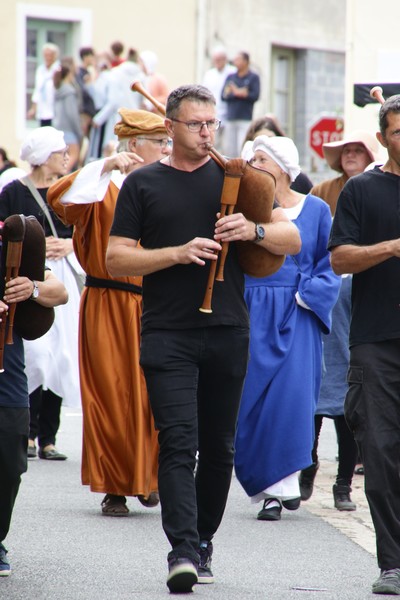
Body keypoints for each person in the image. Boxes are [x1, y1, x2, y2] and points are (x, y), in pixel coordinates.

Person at [106, 84, 301, 593]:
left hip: (228, 329)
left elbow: (291, 238)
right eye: (196, 124)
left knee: (219, 448)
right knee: (178, 442)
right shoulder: (143, 184)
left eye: (212, 123)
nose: (207, 132)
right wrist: (174, 253)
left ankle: (204, 540)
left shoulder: (241, 178)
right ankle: (182, 549)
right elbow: (116, 258)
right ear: (169, 127)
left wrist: (251, 232)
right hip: (167, 331)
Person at [47, 109, 172, 516]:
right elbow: (60, 198)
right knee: (110, 393)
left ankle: (148, 476)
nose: (167, 149)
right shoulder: (102, 186)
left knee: (154, 392)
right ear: (134, 147)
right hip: (107, 301)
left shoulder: (166, 183)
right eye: (160, 142)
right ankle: (115, 486)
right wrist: (103, 165)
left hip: (156, 300)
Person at [234, 135, 341, 522]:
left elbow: (329, 265)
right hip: (252, 311)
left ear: (281, 166)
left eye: (260, 158)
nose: (254, 164)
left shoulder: (315, 210)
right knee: (252, 400)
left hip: (298, 312)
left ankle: (279, 491)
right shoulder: (246, 211)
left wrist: (304, 296)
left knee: (291, 402)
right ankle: (267, 482)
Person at [328, 94, 400, 596]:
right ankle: (393, 562)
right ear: (382, 138)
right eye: (399, 131)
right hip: (377, 341)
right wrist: (394, 246)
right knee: (381, 452)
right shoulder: (362, 190)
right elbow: (340, 259)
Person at [299, 129, 380, 510]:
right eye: (344, 150)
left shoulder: (378, 190)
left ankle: (343, 484)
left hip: (358, 300)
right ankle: (307, 466)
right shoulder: (321, 192)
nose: (349, 154)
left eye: (356, 150)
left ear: (369, 156)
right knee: (313, 395)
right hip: (321, 295)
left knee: (350, 398)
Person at [0, 127, 82, 461]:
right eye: (60, 151)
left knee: (61, 353)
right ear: (43, 156)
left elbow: (90, 233)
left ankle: (49, 436)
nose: (67, 156)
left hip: (59, 278)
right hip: (27, 277)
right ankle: (29, 430)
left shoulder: (70, 192)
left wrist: (71, 244)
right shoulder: (13, 191)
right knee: (34, 351)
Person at [0, 268, 68, 576]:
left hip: (8, 371)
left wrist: (32, 289)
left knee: (11, 461)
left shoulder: (13, 238)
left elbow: (59, 292)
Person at [311, 130, 379, 216]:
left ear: (370, 158)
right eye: (346, 151)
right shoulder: (321, 191)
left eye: (358, 151)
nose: (350, 155)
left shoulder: (381, 190)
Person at [242, 114, 314, 194]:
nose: (265, 145)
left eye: (270, 138)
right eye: (259, 141)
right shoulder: (243, 180)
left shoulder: (300, 180)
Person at [221, 51, 260, 157]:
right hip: (231, 118)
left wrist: (236, 92)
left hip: (245, 118)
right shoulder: (231, 77)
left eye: (238, 59)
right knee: (229, 149)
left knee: (243, 148)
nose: (235, 61)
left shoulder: (253, 77)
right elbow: (224, 95)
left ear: (246, 61)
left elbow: (255, 95)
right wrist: (239, 93)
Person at [202, 45, 235, 155]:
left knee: (228, 146)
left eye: (219, 60)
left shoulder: (232, 72)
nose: (217, 62)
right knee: (213, 142)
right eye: (215, 60)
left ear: (225, 59)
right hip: (213, 113)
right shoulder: (209, 74)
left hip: (229, 115)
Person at [53, 59, 84, 172]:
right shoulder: (70, 92)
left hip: (59, 128)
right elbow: (72, 114)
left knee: (63, 157)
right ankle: (62, 177)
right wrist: (79, 131)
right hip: (69, 130)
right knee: (73, 156)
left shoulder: (58, 91)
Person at [27, 42, 60, 126]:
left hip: (54, 109)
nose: (48, 58)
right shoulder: (40, 70)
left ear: (55, 56)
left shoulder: (58, 69)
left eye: (50, 55)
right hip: (42, 110)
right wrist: (33, 108)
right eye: (46, 55)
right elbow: (37, 90)